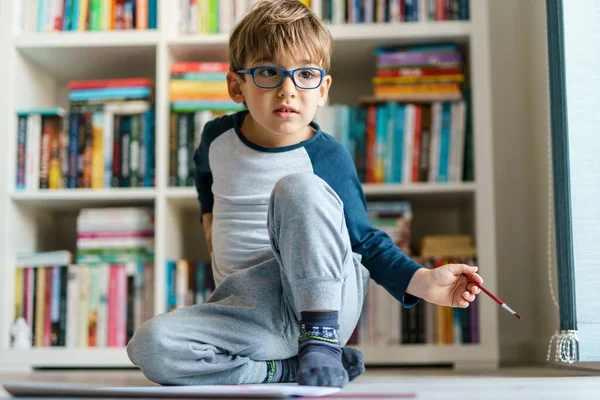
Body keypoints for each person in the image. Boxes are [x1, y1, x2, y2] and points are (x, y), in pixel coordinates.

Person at [127, 0, 482, 388]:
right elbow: (203, 174)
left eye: (305, 75)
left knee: (297, 188)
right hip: (251, 313)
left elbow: (365, 240)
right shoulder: (216, 138)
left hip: (324, 303)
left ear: (323, 89)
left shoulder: (326, 155)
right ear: (236, 85)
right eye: (267, 72)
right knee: (151, 345)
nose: (287, 90)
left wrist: (422, 280)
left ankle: (321, 344)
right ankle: (286, 369)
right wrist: (208, 218)